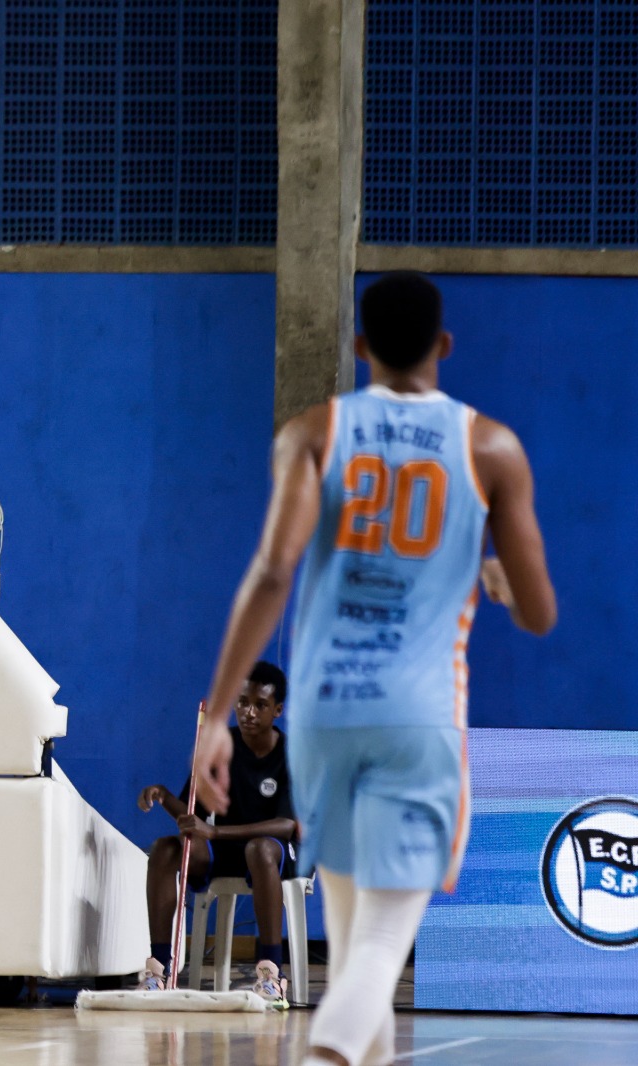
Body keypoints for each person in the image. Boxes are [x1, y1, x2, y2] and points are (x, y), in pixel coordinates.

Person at [191, 271, 556, 1066]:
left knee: (355, 932)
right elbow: (539, 613)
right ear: (444, 346)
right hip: (417, 715)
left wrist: (217, 715)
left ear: (359, 347)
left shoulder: (313, 433)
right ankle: (325, 1046)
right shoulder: (490, 448)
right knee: (383, 944)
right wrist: (491, 575)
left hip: (325, 716)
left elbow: (271, 572)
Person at [137, 661, 295, 1003]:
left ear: (277, 710)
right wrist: (164, 796)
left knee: (260, 849)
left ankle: (272, 974)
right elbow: (191, 812)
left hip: (275, 855)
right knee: (165, 849)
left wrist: (215, 833)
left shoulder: (291, 754)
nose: (249, 712)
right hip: (223, 850)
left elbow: (288, 825)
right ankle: (158, 970)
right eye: (242, 702)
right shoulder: (221, 746)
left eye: (260, 705)